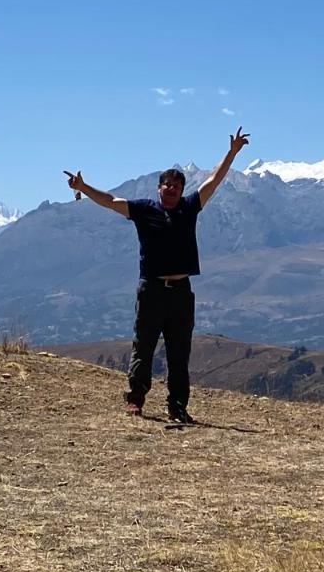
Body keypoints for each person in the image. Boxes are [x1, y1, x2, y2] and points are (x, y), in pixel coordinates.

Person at [64, 128, 251, 423]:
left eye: (177, 185)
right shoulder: (143, 210)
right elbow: (111, 201)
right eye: (167, 185)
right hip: (151, 289)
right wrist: (84, 187)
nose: (172, 189)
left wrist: (232, 153)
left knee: (180, 352)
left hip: (180, 291)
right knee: (144, 346)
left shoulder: (190, 208)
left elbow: (214, 180)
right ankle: (135, 400)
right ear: (159, 188)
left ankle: (177, 406)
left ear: (181, 189)